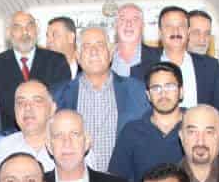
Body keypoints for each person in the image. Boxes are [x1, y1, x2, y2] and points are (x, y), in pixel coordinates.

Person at [50, 26, 150, 172]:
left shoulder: (138, 92)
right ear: (77, 55)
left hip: (125, 181)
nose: (94, 51)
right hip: (76, 180)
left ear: (111, 52)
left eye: (100, 45)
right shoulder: (57, 95)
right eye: (86, 46)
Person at [130, 5, 219, 120]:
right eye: (169, 26)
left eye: (181, 26)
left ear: (188, 31)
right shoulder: (140, 71)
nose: (176, 31)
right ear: (160, 33)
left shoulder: (210, 67)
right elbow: (137, 117)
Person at [0, 11, 72, 134]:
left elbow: (62, 102)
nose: (25, 32)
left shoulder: (57, 61)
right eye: (17, 27)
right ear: (9, 33)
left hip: (48, 135)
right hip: (8, 137)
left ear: (37, 30)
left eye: (30, 26)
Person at [108, 62, 187, 182]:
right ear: (148, 95)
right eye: (156, 88)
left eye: (169, 86)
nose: (163, 94)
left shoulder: (196, 128)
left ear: (181, 92)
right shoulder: (132, 132)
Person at [112, 2, 153, 78]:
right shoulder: (103, 60)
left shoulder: (159, 57)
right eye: (122, 19)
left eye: (135, 19)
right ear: (115, 25)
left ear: (142, 26)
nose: (128, 24)